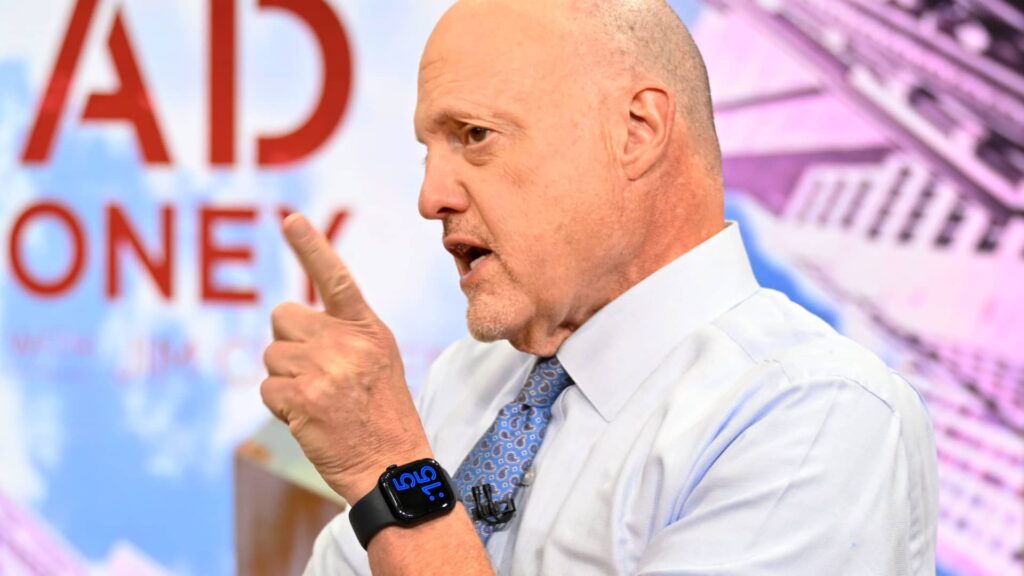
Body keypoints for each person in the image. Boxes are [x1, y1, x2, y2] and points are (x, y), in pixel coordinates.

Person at [260, 0, 939, 574]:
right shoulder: (464, 381)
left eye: (475, 135)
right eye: (427, 152)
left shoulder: (812, 411)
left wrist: (393, 471)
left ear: (636, 132)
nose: (431, 196)